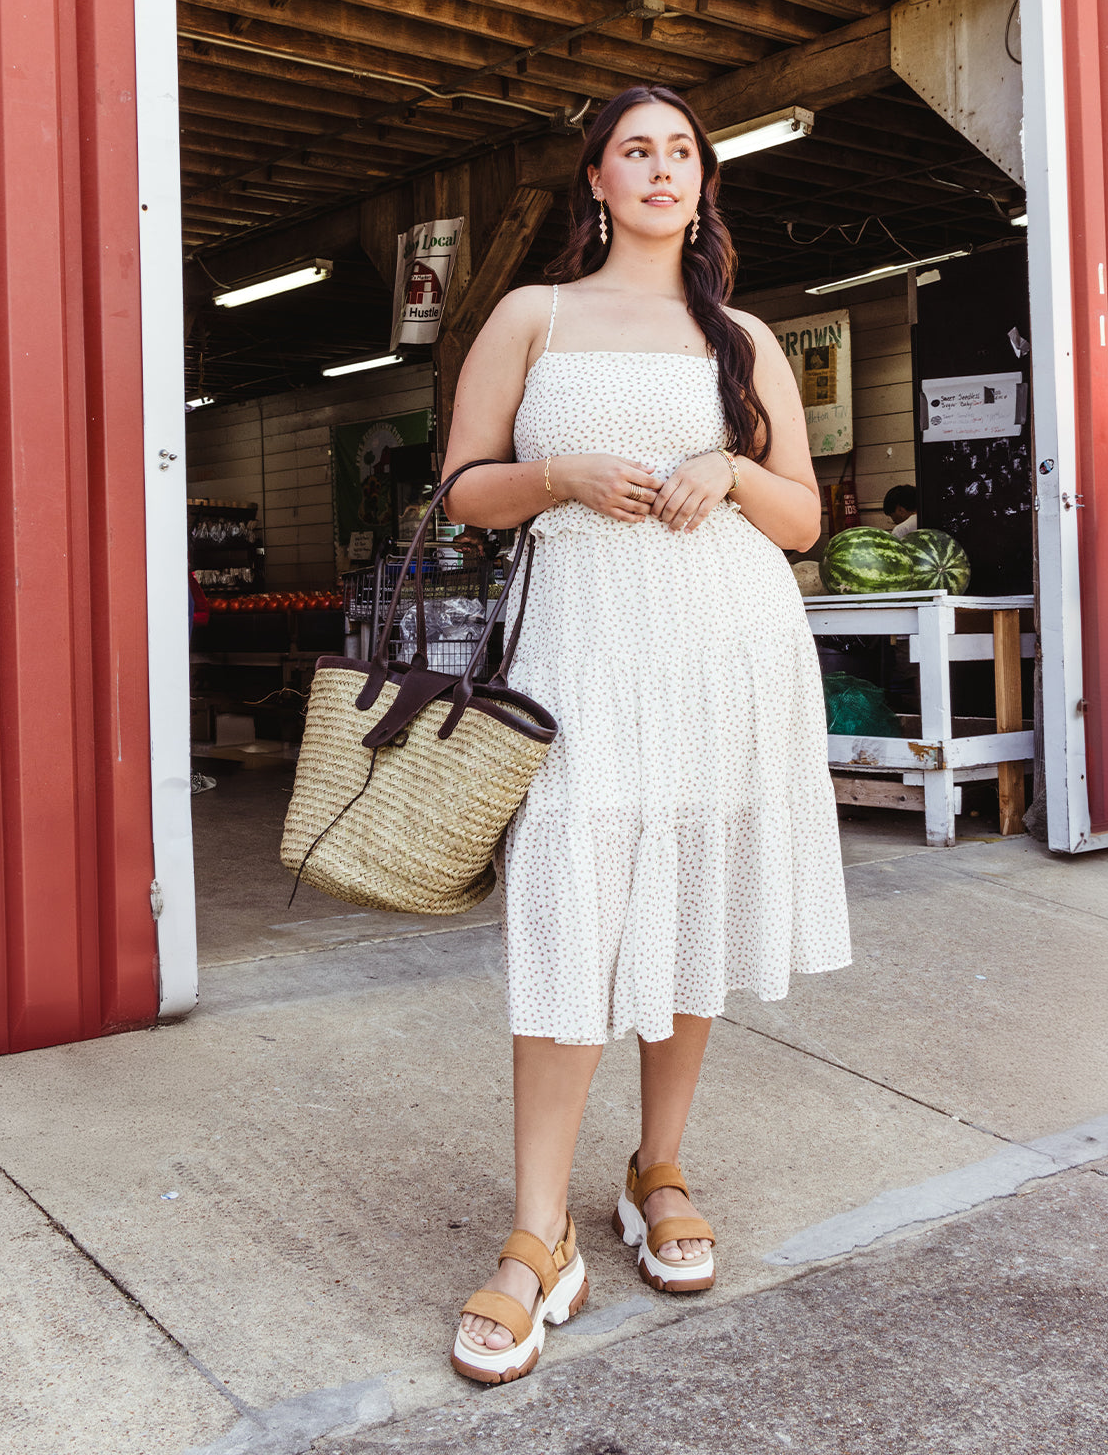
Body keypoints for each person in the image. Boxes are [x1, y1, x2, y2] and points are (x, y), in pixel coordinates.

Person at [440, 84, 851, 1385]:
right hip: (582, 661)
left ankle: (659, 1168)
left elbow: (801, 522)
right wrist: (560, 476)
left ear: (701, 183)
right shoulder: (533, 316)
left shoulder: (738, 338)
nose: (662, 169)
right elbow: (462, 492)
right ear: (599, 182)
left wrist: (731, 471)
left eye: (683, 152)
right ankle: (535, 1232)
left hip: (724, 662)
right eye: (638, 151)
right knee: (569, 910)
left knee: (684, 917)